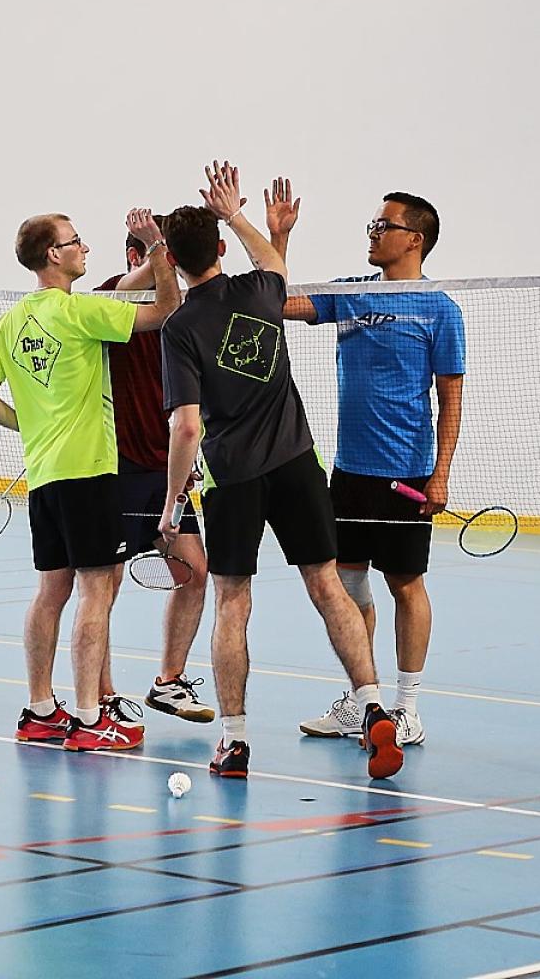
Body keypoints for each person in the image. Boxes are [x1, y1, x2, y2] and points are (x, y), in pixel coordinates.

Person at [158, 161, 402, 782]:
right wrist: (246, 218)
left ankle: (235, 741)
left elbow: (186, 428)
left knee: (232, 602)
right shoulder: (259, 293)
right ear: (220, 248)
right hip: (296, 464)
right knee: (328, 586)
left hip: (233, 477)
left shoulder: (180, 327)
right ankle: (375, 705)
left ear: (173, 261)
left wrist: (171, 502)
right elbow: (272, 263)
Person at [0, 209, 180, 752]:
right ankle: (90, 718)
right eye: (75, 241)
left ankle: (40, 710)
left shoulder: (12, 321)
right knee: (95, 591)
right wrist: (157, 248)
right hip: (88, 473)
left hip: (44, 475)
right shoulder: (81, 311)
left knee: (51, 592)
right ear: (53, 255)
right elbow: (167, 310)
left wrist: (33, 426)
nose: (84, 248)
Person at [274, 187, 464, 749]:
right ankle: (366, 701)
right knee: (347, 580)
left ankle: (408, 707)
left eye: (384, 226)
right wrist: (279, 238)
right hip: (350, 471)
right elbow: (275, 303)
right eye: (372, 225)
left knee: (405, 583)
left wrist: (441, 473)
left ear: (414, 239)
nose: (373, 234)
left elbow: (451, 399)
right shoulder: (350, 293)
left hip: (406, 470)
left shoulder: (439, 310)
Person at [97, 230, 214, 725]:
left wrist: (187, 461)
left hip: (167, 471)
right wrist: (156, 253)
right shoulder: (111, 299)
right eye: (163, 254)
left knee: (195, 571)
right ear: (137, 256)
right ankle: (101, 694)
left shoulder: (183, 314)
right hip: (118, 468)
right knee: (102, 586)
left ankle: (168, 681)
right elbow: (128, 288)